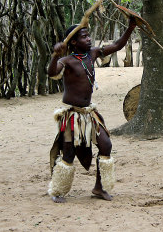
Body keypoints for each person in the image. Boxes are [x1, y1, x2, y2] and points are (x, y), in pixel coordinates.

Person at [47, 17, 137, 203]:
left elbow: (118, 45)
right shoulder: (67, 61)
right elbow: (52, 72)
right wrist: (55, 55)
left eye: (89, 36)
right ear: (73, 42)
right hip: (72, 116)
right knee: (68, 153)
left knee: (106, 145)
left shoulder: (93, 54)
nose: (89, 39)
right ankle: (58, 190)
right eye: (84, 37)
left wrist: (131, 27)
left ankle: (99, 187)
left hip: (90, 114)